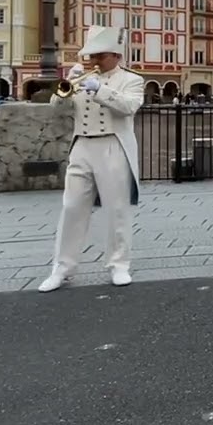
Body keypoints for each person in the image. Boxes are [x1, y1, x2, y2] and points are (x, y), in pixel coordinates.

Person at [38, 26, 145, 292]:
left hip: (113, 145)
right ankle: (62, 268)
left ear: (116, 55)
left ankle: (119, 265)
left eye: (100, 55)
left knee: (116, 209)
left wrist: (100, 90)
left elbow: (128, 107)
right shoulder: (81, 78)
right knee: (72, 207)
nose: (94, 60)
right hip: (82, 146)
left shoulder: (132, 80)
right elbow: (57, 108)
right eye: (91, 55)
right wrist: (67, 86)